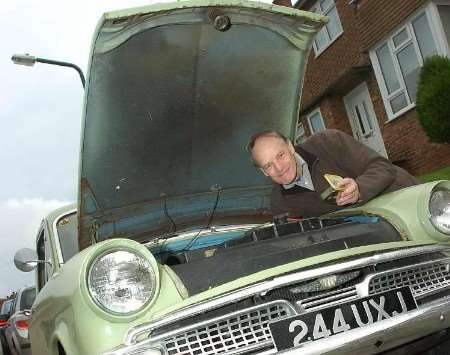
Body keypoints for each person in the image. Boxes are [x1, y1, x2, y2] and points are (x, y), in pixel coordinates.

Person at [247, 129, 418, 218]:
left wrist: (360, 189)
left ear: (290, 146)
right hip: (377, 232)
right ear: (264, 172)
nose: (279, 168)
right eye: (269, 165)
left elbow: (382, 166)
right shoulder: (280, 203)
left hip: (408, 202)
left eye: (281, 155)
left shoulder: (328, 142)